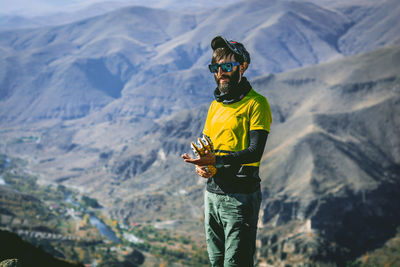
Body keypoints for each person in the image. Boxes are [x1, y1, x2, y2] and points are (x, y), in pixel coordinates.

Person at [181, 36, 272, 266]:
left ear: (243, 67)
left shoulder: (256, 103)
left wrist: (216, 160)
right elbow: (207, 146)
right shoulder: (215, 106)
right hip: (212, 196)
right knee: (216, 262)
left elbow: (254, 152)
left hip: (240, 197)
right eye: (216, 67)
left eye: (228, 66)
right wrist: (202, 166)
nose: (221, 72)